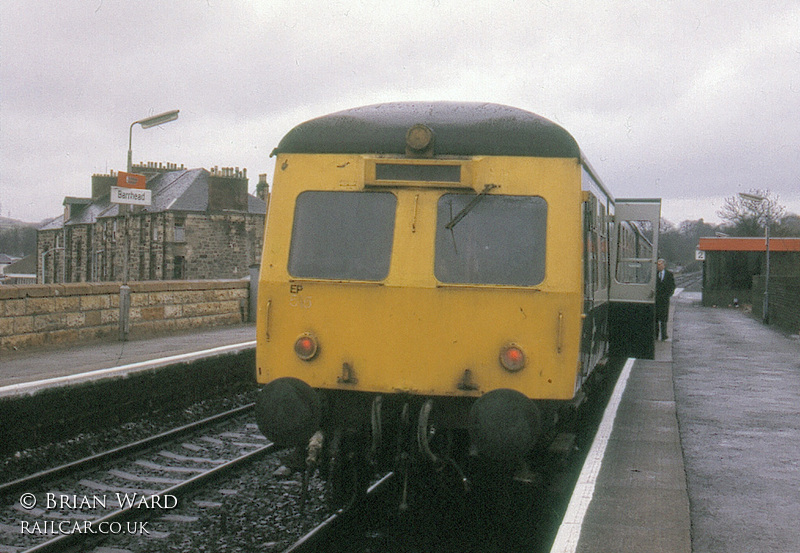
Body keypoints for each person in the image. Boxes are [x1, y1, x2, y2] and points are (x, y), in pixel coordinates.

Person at [655, 258, 676, 340]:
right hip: (656, 299)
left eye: (660, 265)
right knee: (655, 319)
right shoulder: (654, 274)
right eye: (657, 265)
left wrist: (669, 294)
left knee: (664, 318)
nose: (658, 267)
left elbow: (672, 286)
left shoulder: (669, 274)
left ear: (664, 265)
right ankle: (655, 335)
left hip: (664, 300)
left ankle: (664, 335)